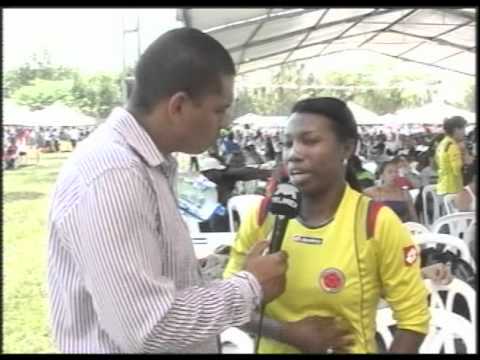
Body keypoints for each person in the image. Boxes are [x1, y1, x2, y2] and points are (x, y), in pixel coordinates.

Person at [47, 28, 293, 354]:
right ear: (178, 106)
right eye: (219, 109)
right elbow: (148, 327)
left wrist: (205, 273)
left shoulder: (143, 164)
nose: (225, 122)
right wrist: (249, 287)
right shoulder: (114, 175)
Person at [224, 97, 430, 353]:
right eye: (288, 143)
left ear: (346, 148)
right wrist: (288, 333)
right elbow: (229, 306)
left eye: (309, 141)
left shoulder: (376, 223)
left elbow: (414, 320)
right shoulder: (262, 216)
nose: (294, 154)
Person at [435, 116, 467, 196]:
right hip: (453, 189)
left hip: (442, 186)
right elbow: (457, 169)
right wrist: (463, 154)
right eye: (463, 129)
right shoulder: (453, 146)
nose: (464, 133)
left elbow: (436, 162)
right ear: (456, 130)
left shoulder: (442, 144)